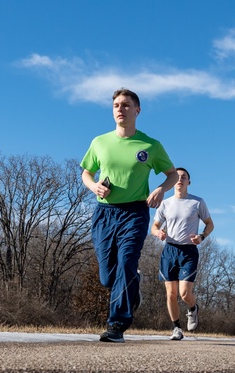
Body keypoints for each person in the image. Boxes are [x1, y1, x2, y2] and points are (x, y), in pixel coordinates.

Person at [81, 88, 179, 343]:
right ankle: (132, 286)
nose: (120, 109)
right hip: (104, 213)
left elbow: (173, 174)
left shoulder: (150, 145)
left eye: (126, 105)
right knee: (107, 278)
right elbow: (86, 173)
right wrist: (94, 186)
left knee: (126, 262)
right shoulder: (99, 142)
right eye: (116, 105)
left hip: (135, 213)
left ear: (137, 110)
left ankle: (117, 325)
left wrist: (160, 189)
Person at [151, 168, 215, 341]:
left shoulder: (197, 202)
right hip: (170, 250)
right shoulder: (166, 203)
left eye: (183, 177)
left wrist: (201, 236)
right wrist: (158, 234)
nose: (180, 180)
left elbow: (210, 224)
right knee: (170, 294)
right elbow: (154, 226)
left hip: (188, 251)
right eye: (177, 177)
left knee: (184, 293)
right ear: (172, 182)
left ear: (189, 182)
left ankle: (193, 308)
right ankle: (176, 328)